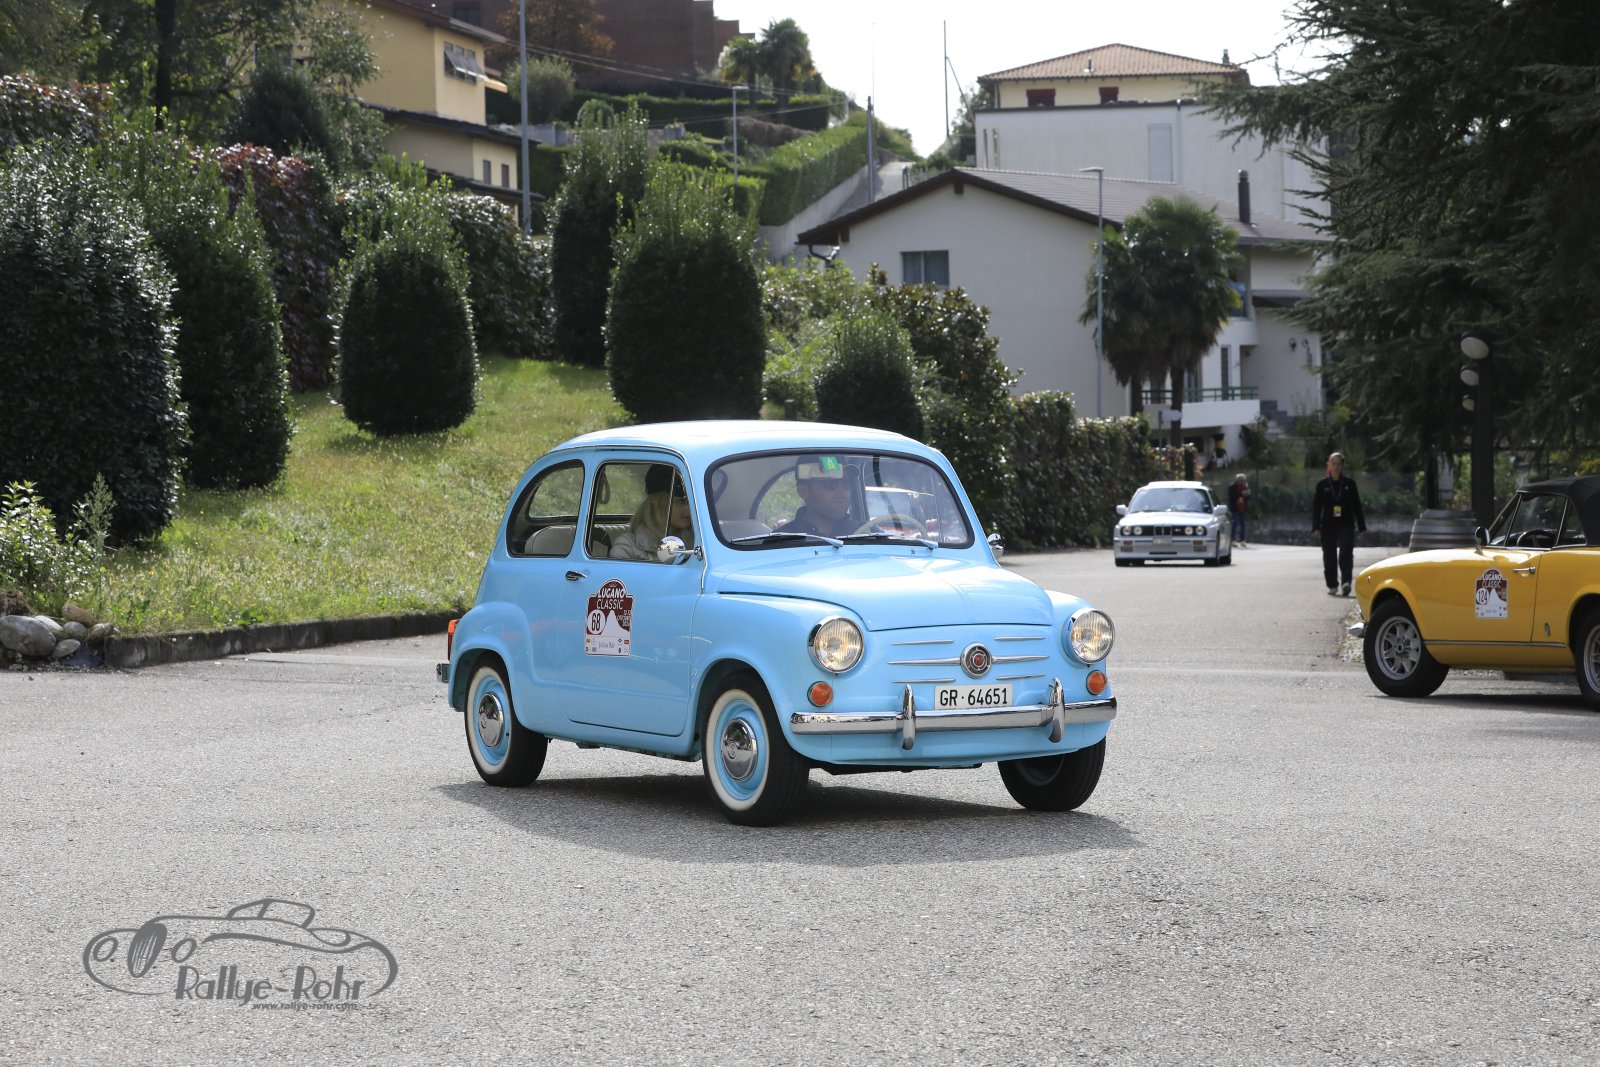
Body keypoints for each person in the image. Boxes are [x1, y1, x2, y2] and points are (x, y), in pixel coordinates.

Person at [610, 464, 693, 561]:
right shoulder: (627, 547)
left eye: (692, 503)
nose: (689, 509)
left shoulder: (699, 542)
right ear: (656, 504)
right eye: (681, 502)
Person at [1311, 451, 1366, 596]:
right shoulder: (1322, 485)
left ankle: (1346, 582)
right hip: (1328, 524)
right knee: (1329, 555)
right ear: (1328, 465)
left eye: (1338, 464)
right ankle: (1332, 584)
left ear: (1342, 466)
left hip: (1346, 523)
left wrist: (1362, 526)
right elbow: (1317, 507)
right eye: (1333, 463)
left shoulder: (1349, 484)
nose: (1336, 467)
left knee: (1346, 550)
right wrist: (1316, 527)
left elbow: (1356, 505)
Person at [779, 455, 858, 537]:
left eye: (847, 482)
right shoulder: (780, 540)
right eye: (831, 483)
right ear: (803, 491)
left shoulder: (863, 533)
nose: (842, 492)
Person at [1227, 473, 1251, 546]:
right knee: (1235, 524)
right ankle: (1233, 540)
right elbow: (1232, 497)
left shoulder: (1245, 487)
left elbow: (1247, 498)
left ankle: (1242, 540)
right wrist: (1241, 493)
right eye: (1241, 480)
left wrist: (1247, 494)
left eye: (1243, 480)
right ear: (1237, 480)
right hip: (1235, 508)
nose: (1242, 482)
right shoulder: (1232, 487)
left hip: (1242, 508)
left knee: (1243, 524)